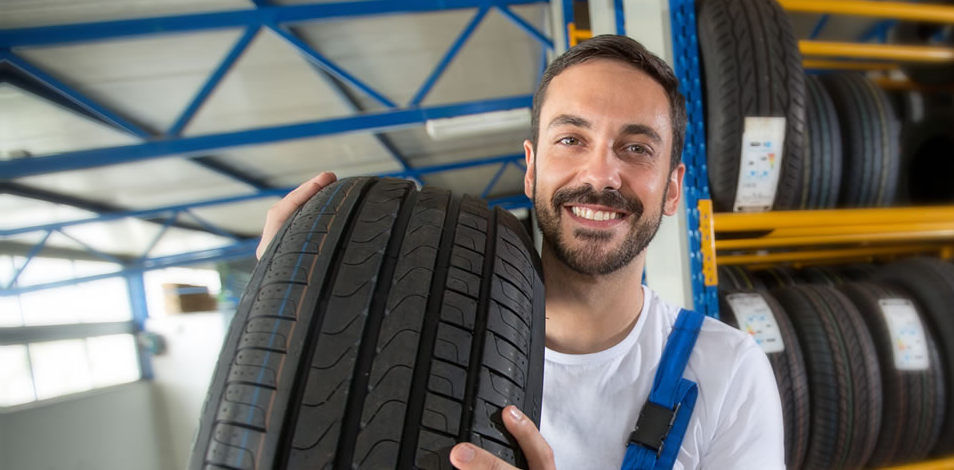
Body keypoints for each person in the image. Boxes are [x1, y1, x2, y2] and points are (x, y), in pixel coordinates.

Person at [255, 35, 784, 470]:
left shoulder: (727, 373)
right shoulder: (416, 341)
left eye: (636, 148)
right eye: (571, 140)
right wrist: (283, 297)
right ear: (531, 168)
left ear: (672, 189)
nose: (601, 174)